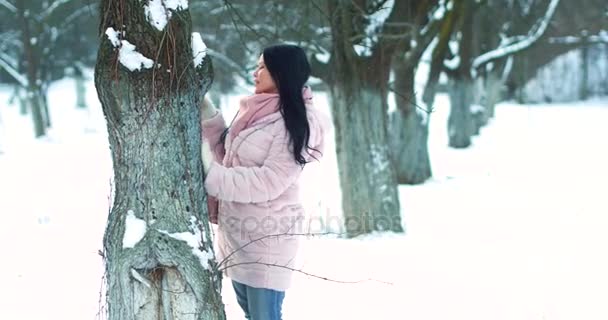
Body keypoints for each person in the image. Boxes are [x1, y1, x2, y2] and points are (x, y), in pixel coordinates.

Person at [199, 44, 330, 320]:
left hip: (267, 237)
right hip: (237, 235)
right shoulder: (255, 110)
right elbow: (231, 156)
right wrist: (210, 120)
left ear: (281, 74)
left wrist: (213, 174)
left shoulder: (296, 123)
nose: (254, 72)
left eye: (262, 67)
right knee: (252, 314)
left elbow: (269, 181)